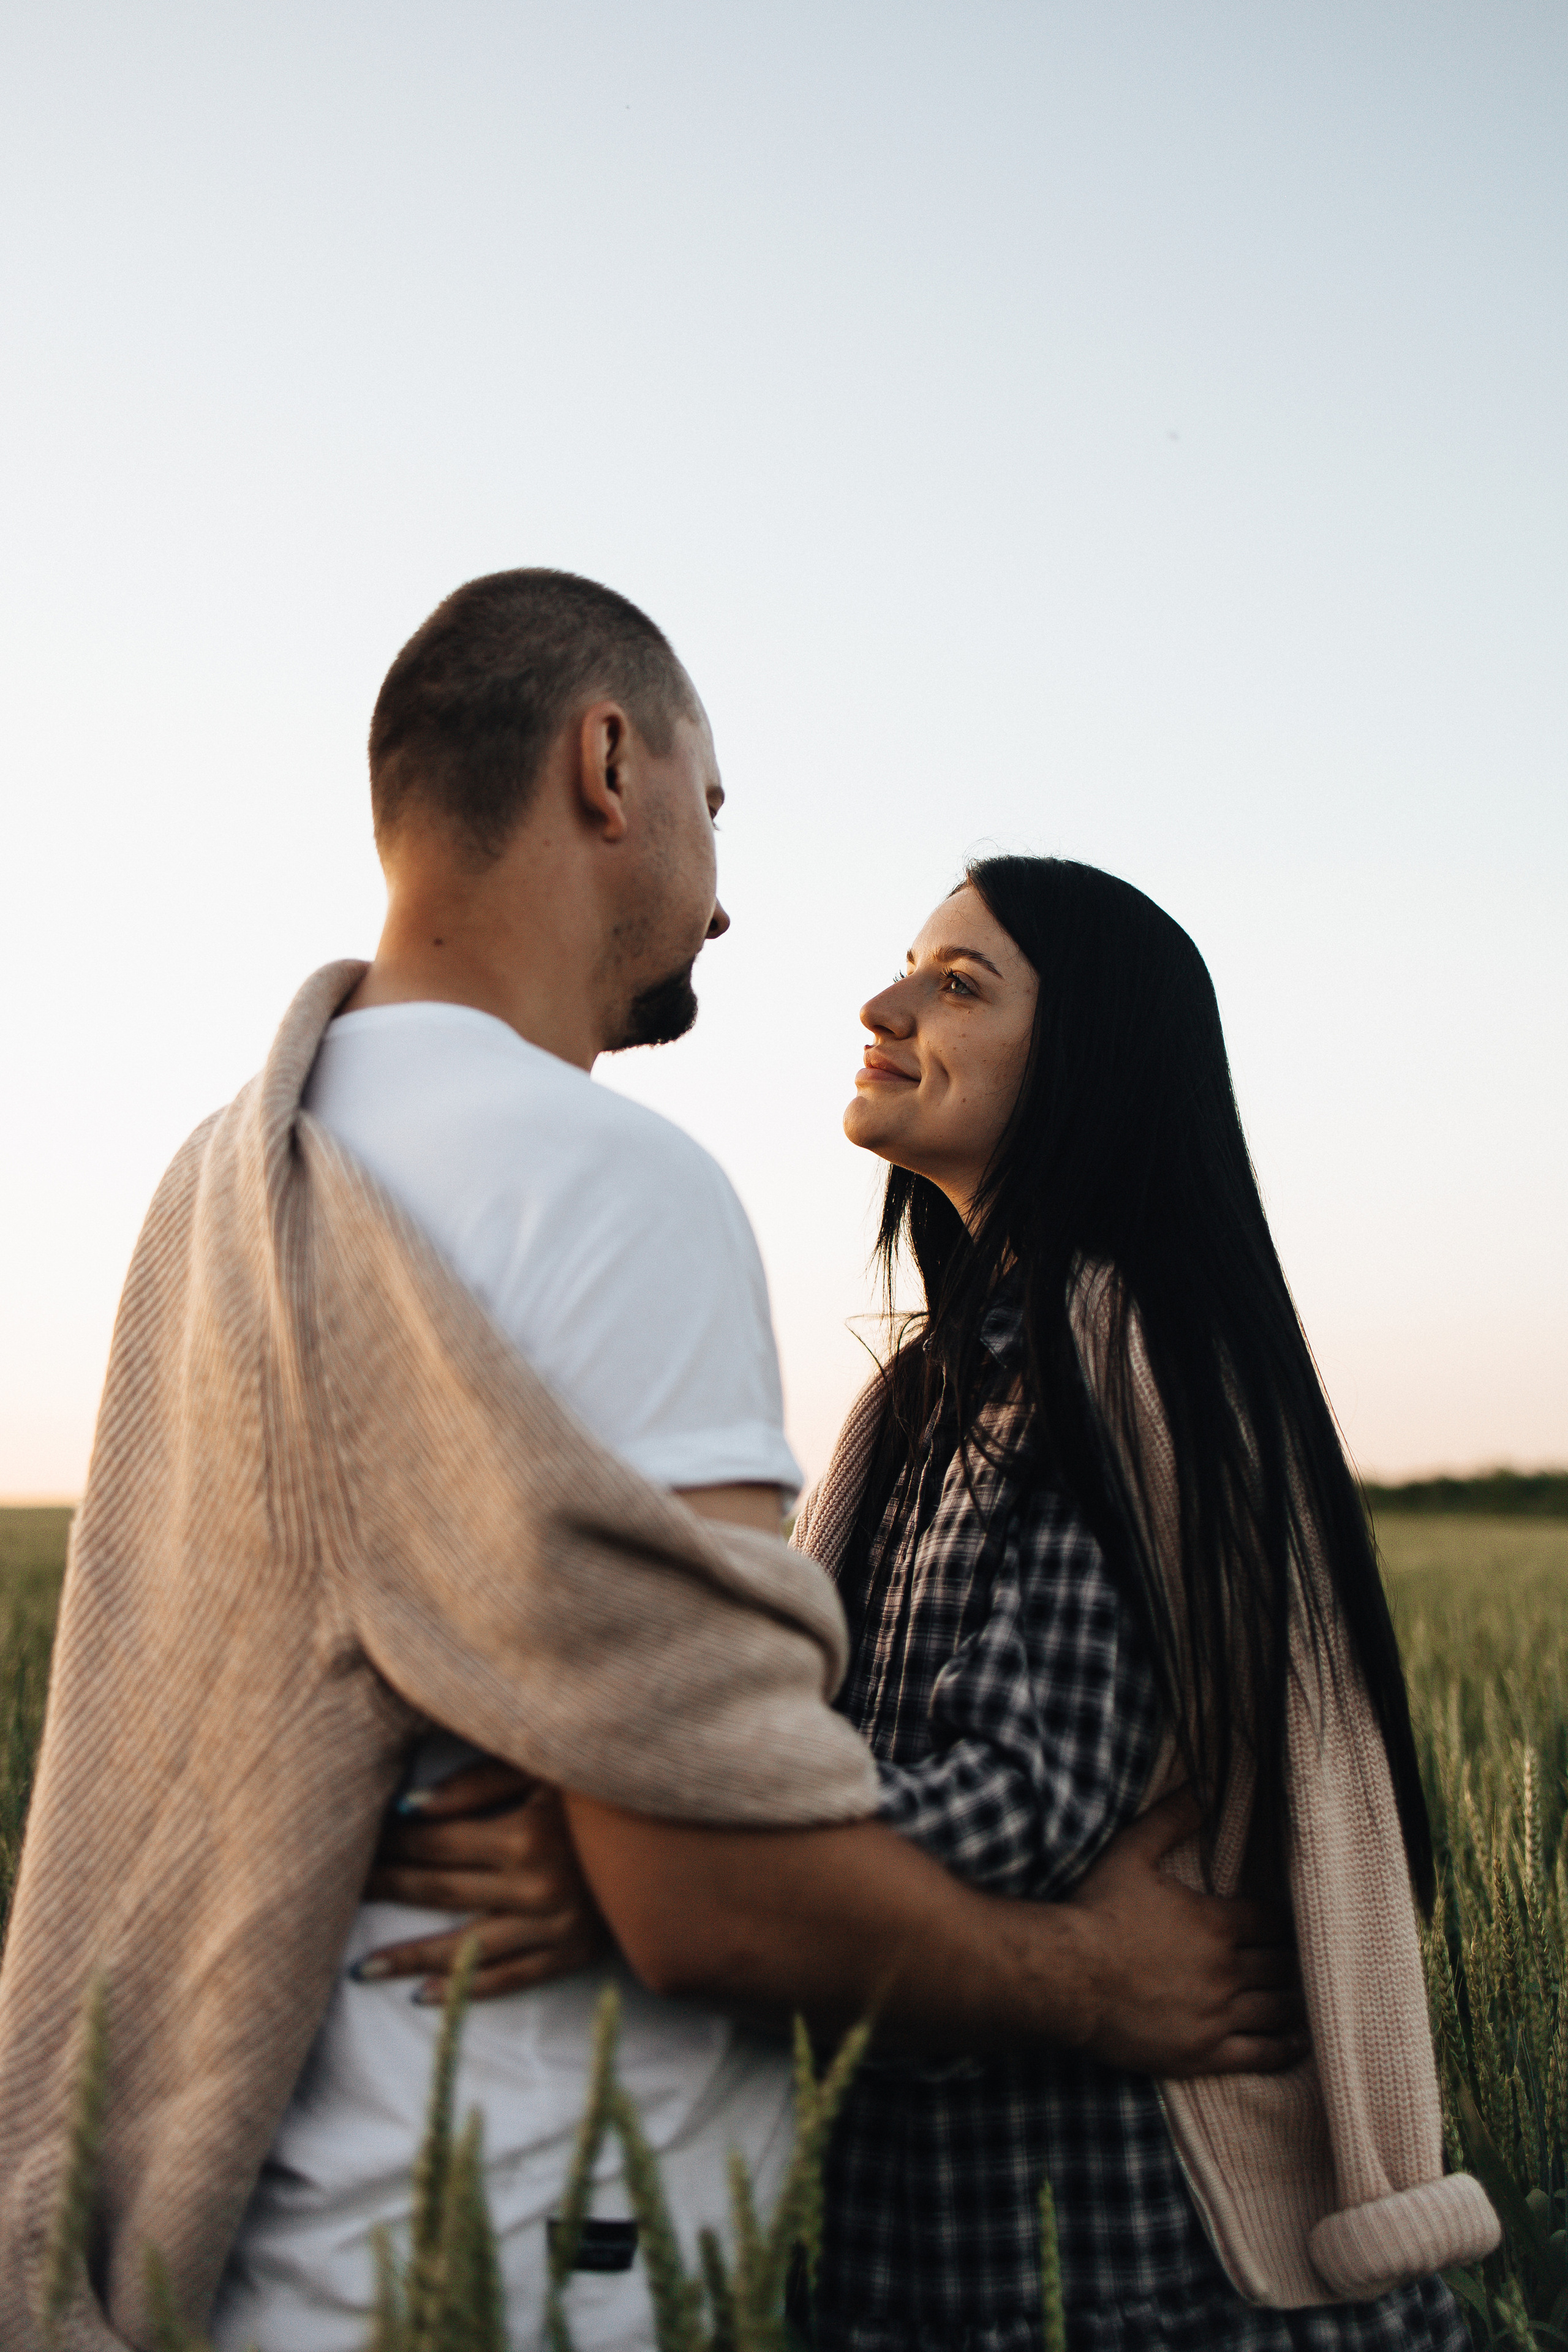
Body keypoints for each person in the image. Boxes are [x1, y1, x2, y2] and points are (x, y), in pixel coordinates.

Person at [0, 575, 1300, 2352]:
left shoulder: (226, 1180)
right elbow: (705, 1887)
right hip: (534, 2251)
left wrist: (622, 1831)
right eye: (715, 805)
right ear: (607, 765)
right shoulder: (613, 1187)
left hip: (295, 2235)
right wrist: (1095, 1981)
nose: (730, 889)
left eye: (958, 976)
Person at [789, 855, 1496, 2348]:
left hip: (1138, 2275)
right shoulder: (927, 1402)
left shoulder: (1119, 1361)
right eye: (907, 962)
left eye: (958, 982)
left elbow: (1017, 1815)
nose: (883, 1002)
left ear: (1092, 1060)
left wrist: (646, 1837)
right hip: (942, 2251)